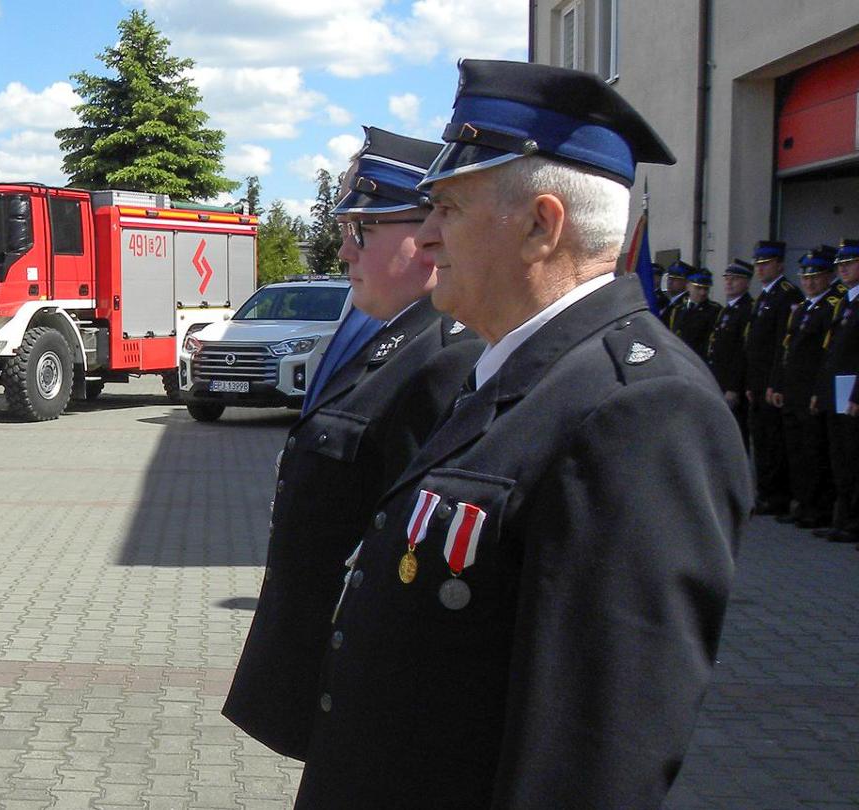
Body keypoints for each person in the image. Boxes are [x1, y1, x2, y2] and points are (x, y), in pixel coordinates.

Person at [299, 59, 746, 808]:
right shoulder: (517, 373)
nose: (428, 235)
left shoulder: (641, 412)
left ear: (543, 225)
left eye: (450, 209)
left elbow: (592, 758)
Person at [222, 126, 481, 760]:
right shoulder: (386, 341)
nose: (344, 252)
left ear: (426, 236)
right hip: (335, 678)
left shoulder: (443, 360)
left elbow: (413, 561)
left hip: (374, 694)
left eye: (360, 231)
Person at [774, 246, 840, 528]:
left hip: (811, 390)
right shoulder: (801, 309)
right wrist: (777, 384)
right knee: (796, 452)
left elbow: (827, 356)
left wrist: (818, 392)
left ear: (828, 277)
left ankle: (818, 508)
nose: (810, 282)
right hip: (793, 389)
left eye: (816, 277)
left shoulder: (830, 308)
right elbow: (786, 349)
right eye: (806, 277)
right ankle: (801, 503)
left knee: (815, 453)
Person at [744, 239, 801, 515]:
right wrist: (751, 384)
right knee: (762, 442)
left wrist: (774, 383)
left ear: (779, 264)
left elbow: (782, 344)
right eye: (758, 264)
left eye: (766, 264)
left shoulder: (786, 294)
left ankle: (777, 496)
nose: (760, 269)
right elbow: (754, 345)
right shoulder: (764, 296)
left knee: (774, 443)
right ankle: (765, 492)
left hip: (771, 381)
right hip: (758, 381)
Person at [815, 239, 859, 544]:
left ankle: (854, 522)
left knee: (854, 460)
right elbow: (830, 351)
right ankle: (842, 519)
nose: (843, 270)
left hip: (853, 393)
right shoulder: (845, 301)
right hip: (837, 390)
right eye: (840, 266)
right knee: (840, 458)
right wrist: (821, 390)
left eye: (849, 264)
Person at [708, 259, 755, 446]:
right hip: (719, 379)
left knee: (735, 434)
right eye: (727, 278)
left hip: (732, 384)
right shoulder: (728, 309)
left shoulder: (747, 309)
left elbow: (741, 352)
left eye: (735, 279)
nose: (729, 282)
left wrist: (734, 387)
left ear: (747, 282)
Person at [672, 267, 721, 356]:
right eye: (698, 288)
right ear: (688, 286)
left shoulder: (715, 310)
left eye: (706, 289)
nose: (702, 293)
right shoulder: (678, 309)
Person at [658, 260, 690, 325]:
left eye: (675, 279)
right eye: (669, 278)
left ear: (686, 282)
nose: (670, 282)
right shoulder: (669, 301)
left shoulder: (686, 304)